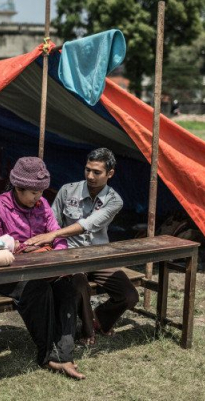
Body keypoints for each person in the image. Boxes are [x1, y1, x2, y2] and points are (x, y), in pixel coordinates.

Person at [0, 156, 85, 380]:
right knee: (40, 290)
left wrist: (57, 257)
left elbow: (56, 235)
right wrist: (18, 248)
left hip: (44, 269)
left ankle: (65, 355)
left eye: (41, 192)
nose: (38, 197)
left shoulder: (43, 205)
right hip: (9, 275)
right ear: (18, 188)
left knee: (67, 288)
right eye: (33, 193)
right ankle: (47, 355)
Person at [24, 148, 139, 345]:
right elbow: (52, 221)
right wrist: (50, 240)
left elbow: (89, 224)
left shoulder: (114, 200)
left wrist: (53, 234)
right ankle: (87, 332)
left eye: (97, 172)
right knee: (78, 286)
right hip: (70, 255)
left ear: (110, 173)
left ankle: (100, 319)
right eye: (87, 170)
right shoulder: (67, 190)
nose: (90, 176)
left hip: (99, 256)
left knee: (129, 296)